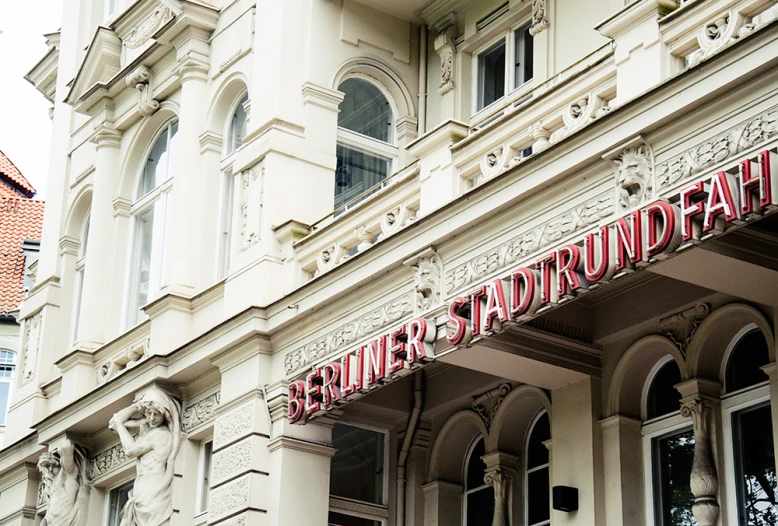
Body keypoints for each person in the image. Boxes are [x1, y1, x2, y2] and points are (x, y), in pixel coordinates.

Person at [109, 388, 182, 526]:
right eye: (149, 413)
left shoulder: (161, 435)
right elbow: (114, 423)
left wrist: (119, 424)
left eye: (156, 414)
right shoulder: (147, 426)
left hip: (152, 488)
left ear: (165, 415)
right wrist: (138, 405)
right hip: (141, 490)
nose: (152, 418)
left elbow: (130, 450)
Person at [37, 438, 90, 526]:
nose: (49, 470)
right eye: (45, 468)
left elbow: (66, 445)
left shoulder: (69, 478)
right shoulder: (51, 492)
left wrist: (64, 449)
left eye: (51, 466)